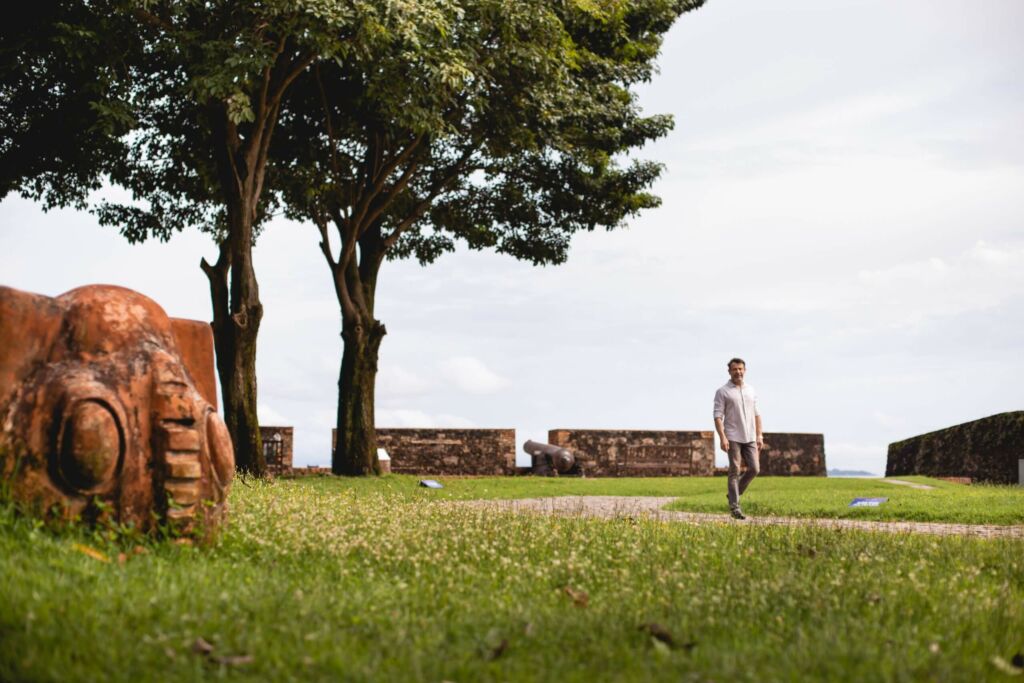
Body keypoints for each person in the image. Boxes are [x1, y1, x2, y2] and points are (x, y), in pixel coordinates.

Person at [713, 357, 763, 519]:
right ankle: (735, 507)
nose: (738, 372)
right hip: (733, 436)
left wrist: (759, 435)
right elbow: (718, 416)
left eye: (740, 369)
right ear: (729, 371)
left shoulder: (751, 390)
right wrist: (723, 437)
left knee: (755, 469)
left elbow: (757, 414)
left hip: (750, 437)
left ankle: (733, 493)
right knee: (734, 469)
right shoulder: (723, 392)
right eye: (735, 369)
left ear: (745, 370)